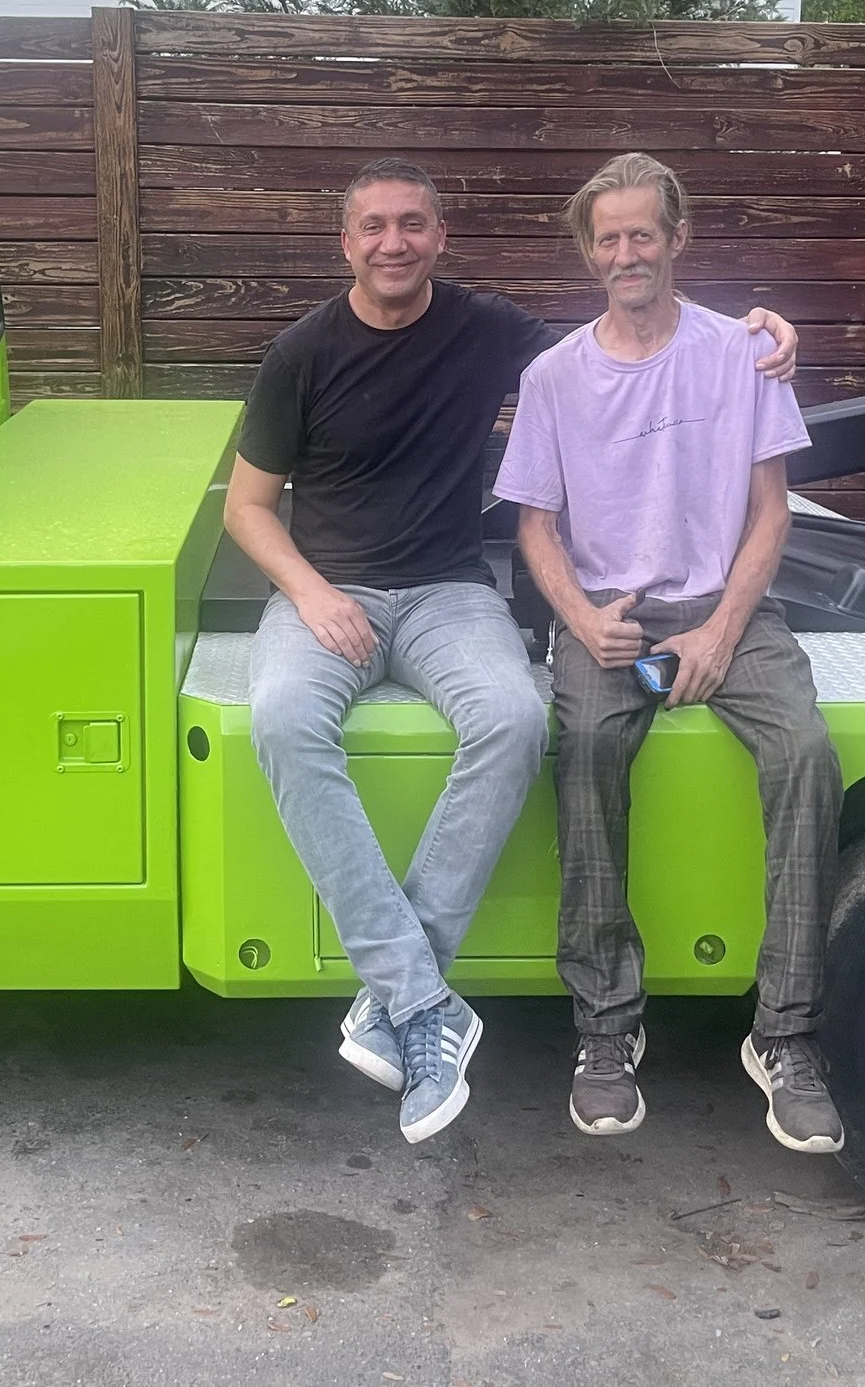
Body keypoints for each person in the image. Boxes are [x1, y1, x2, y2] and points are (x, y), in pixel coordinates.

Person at [223, 157, 799, 1145]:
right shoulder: (300, 353)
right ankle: (419, 999)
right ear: (346, 243)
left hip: (450, 591)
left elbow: (633, 332)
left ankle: (400, 996)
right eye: (374, 227)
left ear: (440, 237)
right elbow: (247, 507)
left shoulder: (493, 334)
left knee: (516, 716)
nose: (393, 242)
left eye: (412, 223)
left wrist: (757, 324)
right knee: (278, 718)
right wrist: (312, 595)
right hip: (332, 594)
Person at [494, 151, 845, 1153]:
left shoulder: (742, 352)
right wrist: (581, 619)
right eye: (606, 238)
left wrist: (720, 633)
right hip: (612, 622)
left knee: (806, 756)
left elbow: (771, 511)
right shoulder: (554, 376)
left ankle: (784, 1036)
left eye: (641, 234)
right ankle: (605, 1028)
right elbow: (534, 531)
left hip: (726, 611)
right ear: (587, 251)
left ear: (677, 239)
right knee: (590, 753)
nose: (624, 254)